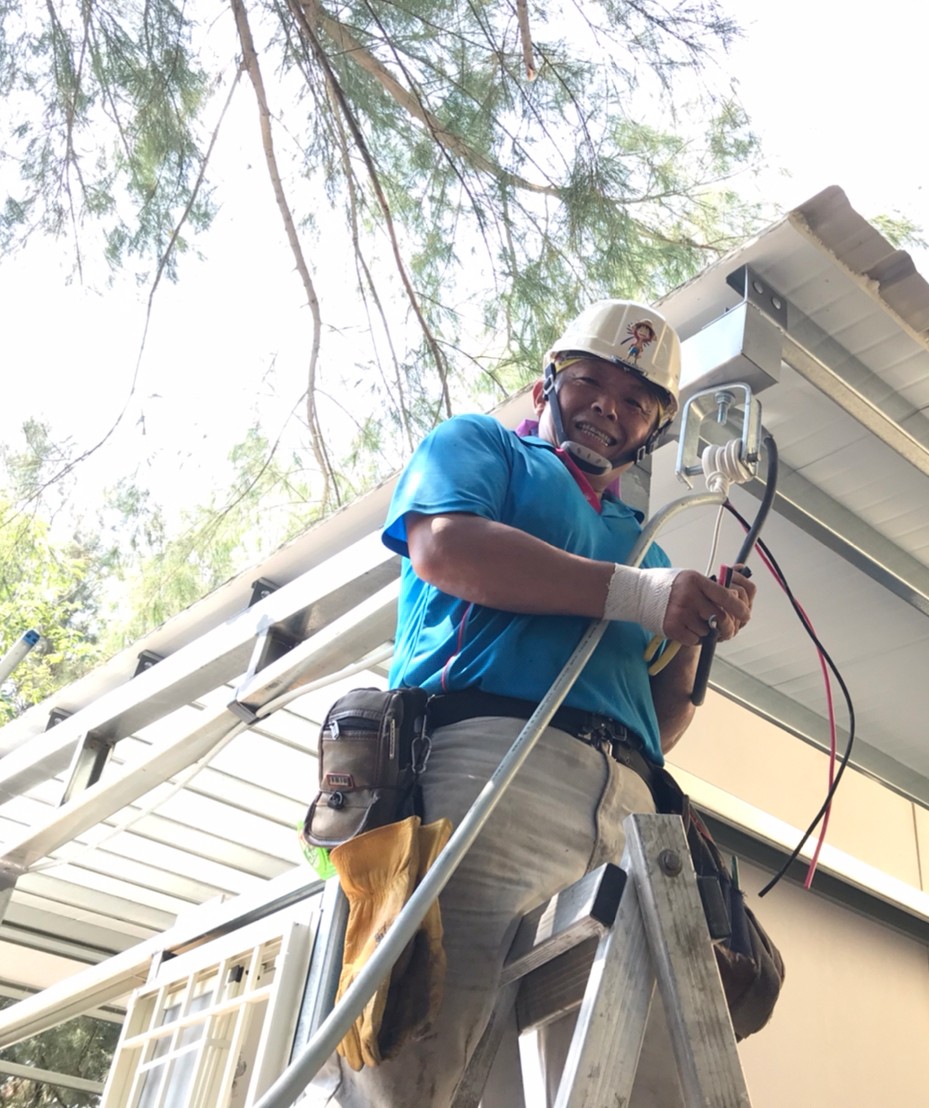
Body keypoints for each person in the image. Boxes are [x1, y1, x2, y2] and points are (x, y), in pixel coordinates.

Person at [312, 299, 755, 1107]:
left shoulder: (643, 541)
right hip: (487, 766)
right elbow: (444, 546)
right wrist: (642, 594)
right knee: (416, 1053)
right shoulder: (482, 448)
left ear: (651, 431)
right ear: (547, 384)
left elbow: (659, 724)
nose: (608, 409)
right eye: (590, 383)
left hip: (628, 805)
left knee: (635, 1075)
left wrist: (694, 631)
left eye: (635, 402)